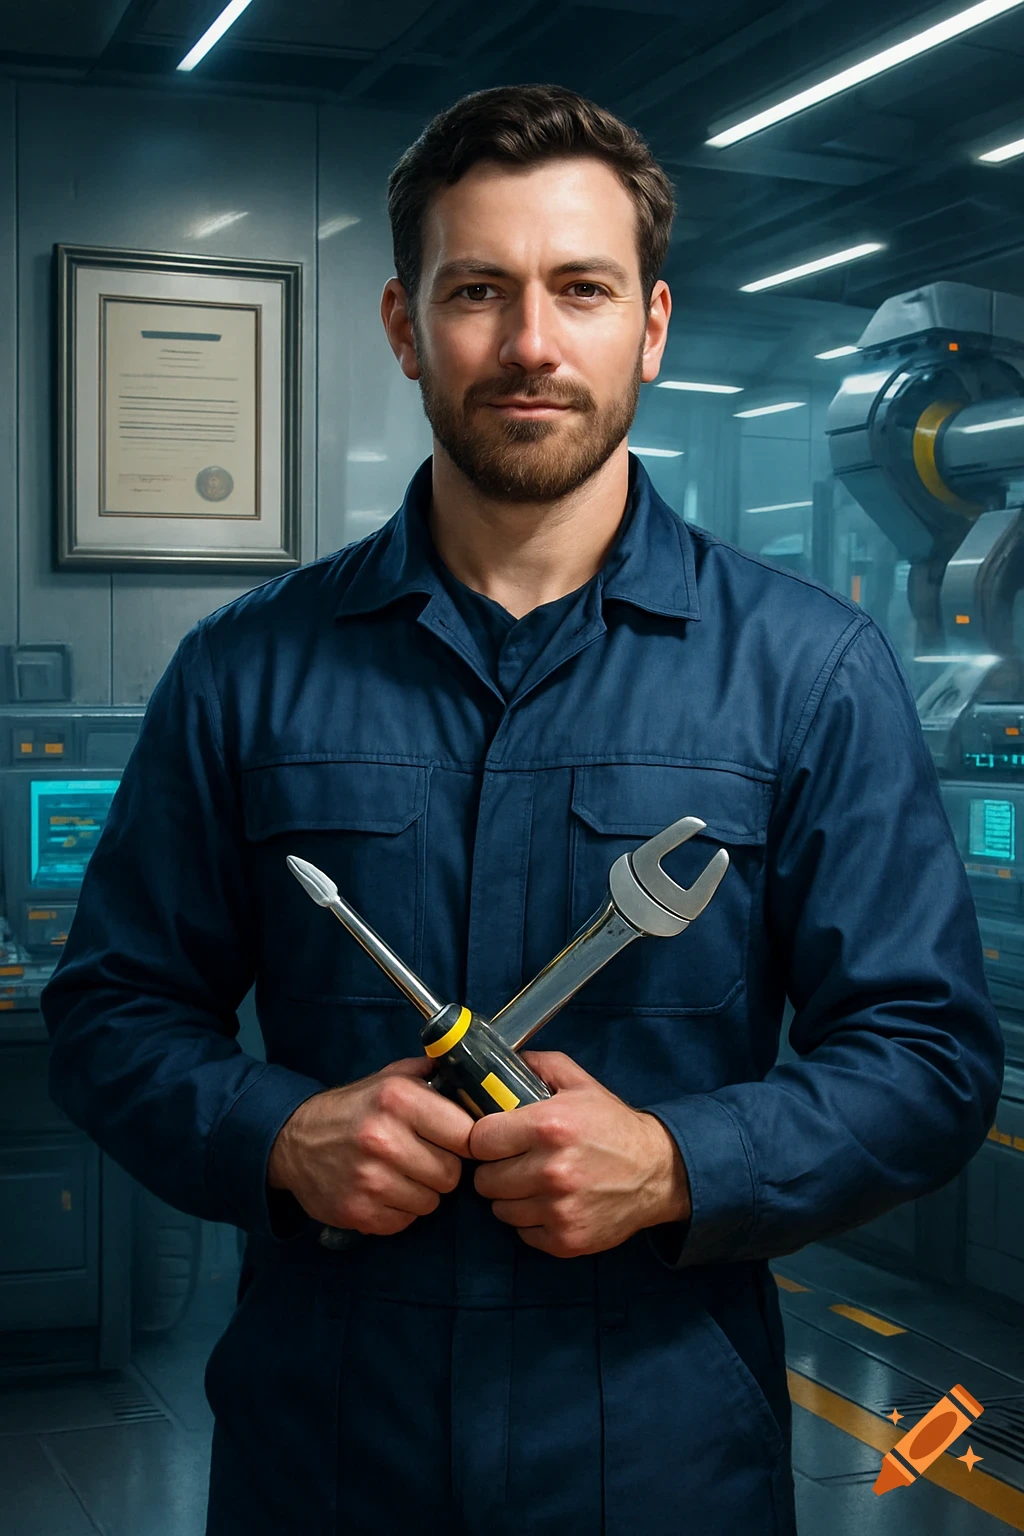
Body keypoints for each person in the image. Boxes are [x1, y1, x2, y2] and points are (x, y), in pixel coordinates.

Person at [41, 84, 1003, 1536]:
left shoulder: (810, 673)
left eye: (583, 289)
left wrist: (679, 1165)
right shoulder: (244, 670)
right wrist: (279, 1137)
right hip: (325, 1456)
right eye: (478, 289)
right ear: (403, 324)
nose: (532, 344)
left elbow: (927, 1057)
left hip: (667, 1464)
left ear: (652, 326)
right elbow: (110, 1015)